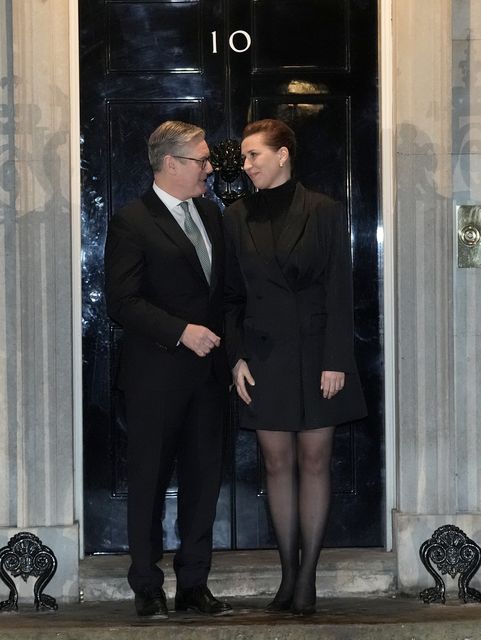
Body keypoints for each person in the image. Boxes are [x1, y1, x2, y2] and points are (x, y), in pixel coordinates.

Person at [223, 119, 367, 615]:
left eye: (253, 156)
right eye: (243, 158)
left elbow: (338, 291)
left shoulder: (324, 210)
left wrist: (336, 360)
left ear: (283, 155)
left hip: (316, 354)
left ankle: (307, 578)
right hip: (263, 356)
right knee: (276, 464)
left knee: (314, 462)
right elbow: (230, 296)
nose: (245, 166)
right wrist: (235, 356)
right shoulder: (235, 215)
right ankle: (287, 573)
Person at [104, 121, 232, 618]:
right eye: (201, 160)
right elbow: (122, 301)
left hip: (208, 376)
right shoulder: (132, 220)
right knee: (149, 481)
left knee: (204, 481)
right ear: (171, 163)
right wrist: (181, 331)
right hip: (155, 377)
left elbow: (222, 294)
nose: (209, 168)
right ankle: (146, 585)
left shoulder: (211, 214)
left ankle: (194, 584)